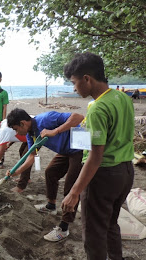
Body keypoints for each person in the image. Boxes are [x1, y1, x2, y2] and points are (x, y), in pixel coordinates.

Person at [62, 52, 134, 260]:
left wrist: (75, 192)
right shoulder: (122, 98)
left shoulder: (98, 109)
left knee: (94, 235)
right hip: (126, 171)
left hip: (103, 175)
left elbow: (95, 156)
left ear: (87, 79)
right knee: (111, 223)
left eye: (74, 83)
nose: (74, 89)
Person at [6, 108, 84, 242]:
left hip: (80, 146)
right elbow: (31, 156)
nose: (16, 132)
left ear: (23, 123)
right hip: (66, 150)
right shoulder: (31, 134)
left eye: (15, 129)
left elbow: (78, 117)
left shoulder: (46, 118)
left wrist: (55, 131)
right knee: (50, 172)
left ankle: (64, 228)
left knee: (70, 187)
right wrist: (17, 172)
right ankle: (51, 205)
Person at [0, 116, 29, 182]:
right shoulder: (4, 122)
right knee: (22, 151)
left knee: (25, 156)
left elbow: (1, 151)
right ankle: (26, 177)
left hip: (33, 134)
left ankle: (24, 181)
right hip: (28, 136)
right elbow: (13, 133)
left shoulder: (3, 130)